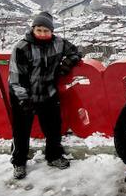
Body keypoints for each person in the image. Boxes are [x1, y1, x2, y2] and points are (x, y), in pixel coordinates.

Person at [8, 11, 82, 180]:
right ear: (33, 29)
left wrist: (67, 65)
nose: (42, 33)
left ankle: (53, 156)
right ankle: (19, 161)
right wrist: (23, 100)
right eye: (39, 30)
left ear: (52, 31)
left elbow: (75, 52)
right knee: (21, 130)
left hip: (48, 93)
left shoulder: (58, 43)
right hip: (23, 95)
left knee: (53, 128)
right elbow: (15, 77)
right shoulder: (22, 47)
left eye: (46, 30)